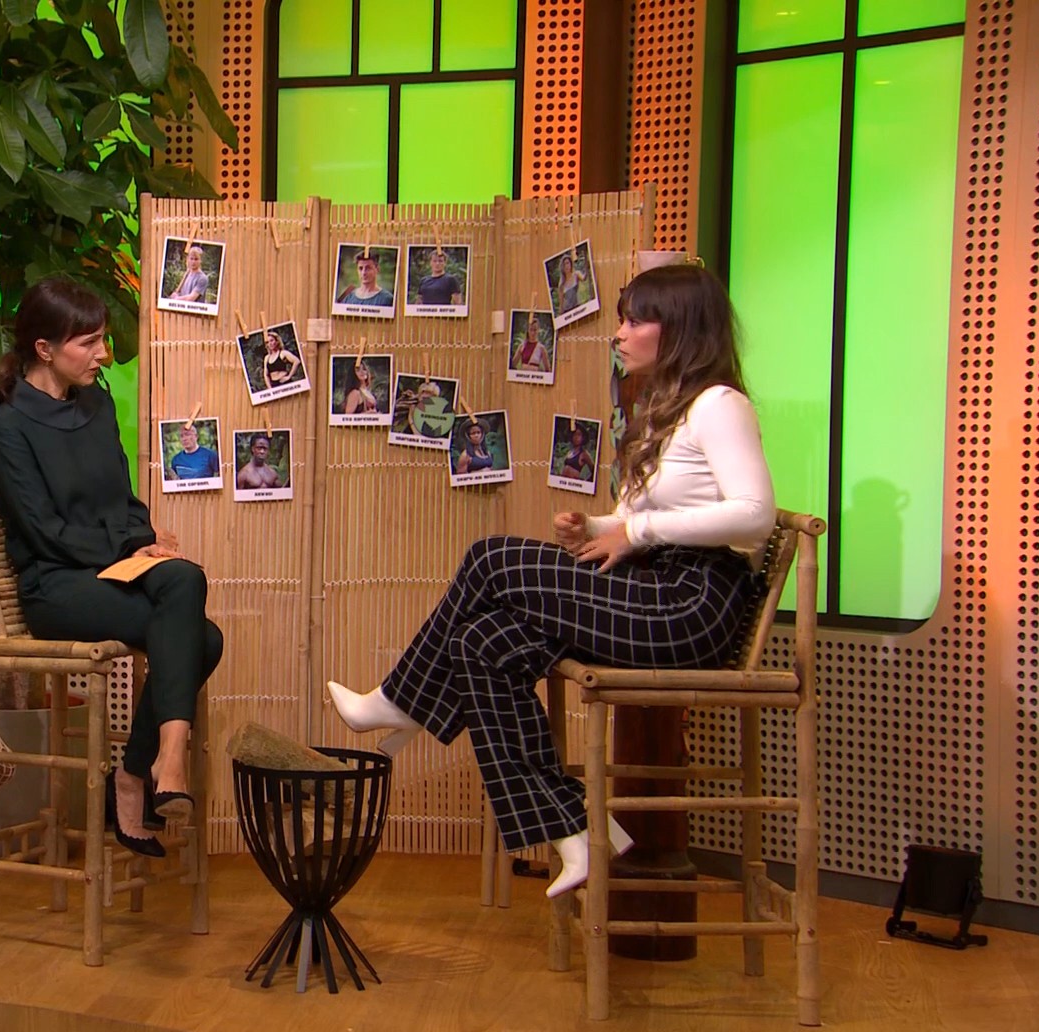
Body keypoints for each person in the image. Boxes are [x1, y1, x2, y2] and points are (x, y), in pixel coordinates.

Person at [325, 263, 775, 898]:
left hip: (689, 606)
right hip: (649, 586)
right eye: (620, 320)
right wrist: (598, 525)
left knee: (490, 557)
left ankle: (402, 699)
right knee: (481, 643)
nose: (619, 333)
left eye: (634, 321)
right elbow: (644, 519)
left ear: (678, 329)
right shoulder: (662, 411)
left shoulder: (721, 406)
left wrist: (634, 532)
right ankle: (575, 832)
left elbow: (754, 516)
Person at [0, 277, 223, 858]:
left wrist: (141, 540)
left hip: (106, 568)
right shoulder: (7, 430)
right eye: (88, 343)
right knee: (200, 634)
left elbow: (123, 500)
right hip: (55, 585)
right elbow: (44, 532)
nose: (103, 354)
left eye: (102, 340)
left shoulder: (98, 404)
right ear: (45, 349)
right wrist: (127, 549)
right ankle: (150, 768)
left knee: (190, 592)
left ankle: (149, 767)